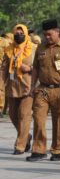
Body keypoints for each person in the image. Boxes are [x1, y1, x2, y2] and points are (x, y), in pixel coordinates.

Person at [26, 19, 60, 162]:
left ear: (58, 32)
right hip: (43, 89)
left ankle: (57, 149)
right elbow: (36, 67)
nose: (47, 37)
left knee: (59, 121)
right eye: (45, 35)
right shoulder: (41, 47)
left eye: (50, 34)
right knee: (38, 118)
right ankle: (38, 150)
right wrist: (32, 86)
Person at [0, 24, 36, 154]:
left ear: (26, 34)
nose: (19, 35)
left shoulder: (33, 48)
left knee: (24, 115)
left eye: (21, 33)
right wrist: (1, 86)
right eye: (17, 33)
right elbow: (4, 69)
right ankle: (26, 136)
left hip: (28, 87)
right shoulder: (9, 49)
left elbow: (40, 66)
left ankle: (20, 145)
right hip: (12, 86)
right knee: (13, 115)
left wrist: (30, 68)